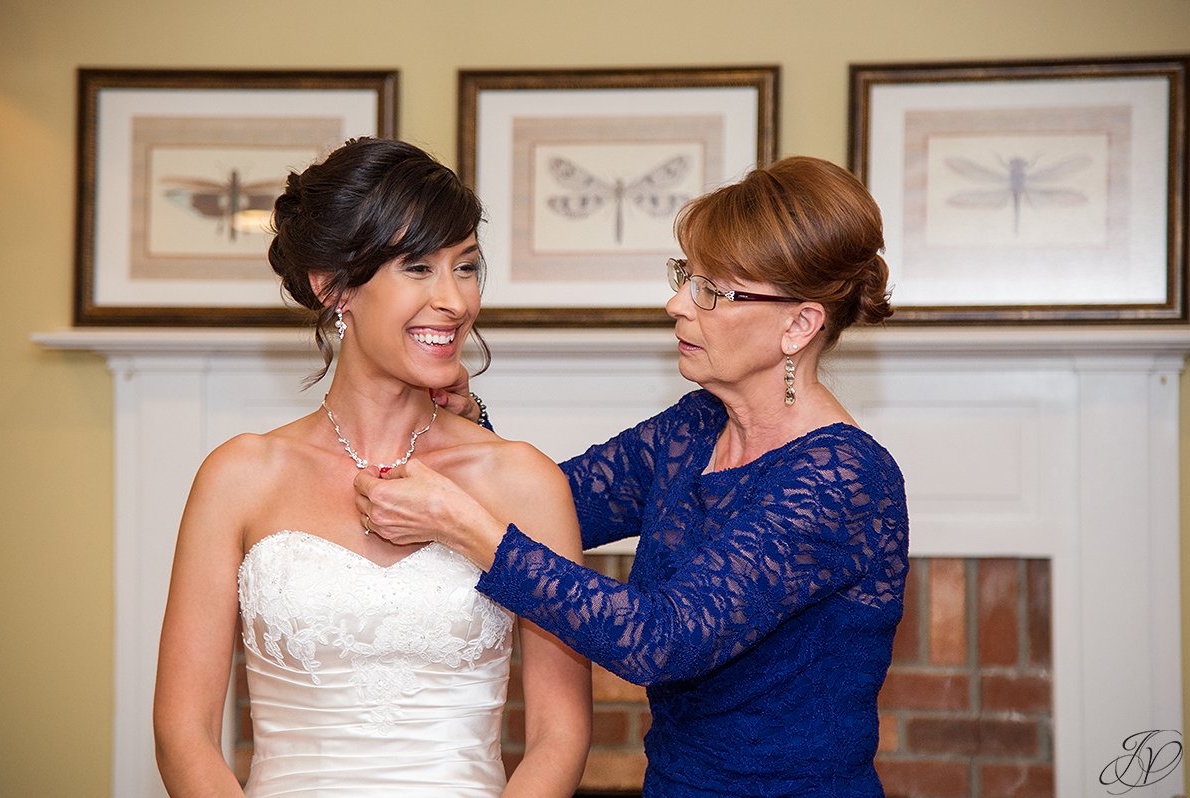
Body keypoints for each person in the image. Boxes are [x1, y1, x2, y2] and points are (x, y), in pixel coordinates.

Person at [357, 155, 910, 797]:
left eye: (713, 291)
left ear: (799, 324)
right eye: (686, 277)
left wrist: (464, 529)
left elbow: (658, 639)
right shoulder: (696, 427)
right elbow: (553, 503)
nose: (677, 304)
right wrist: (470, 427)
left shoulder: (843, 478)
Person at [153, 137, 591, 798]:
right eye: (418, 267)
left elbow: (560, 737)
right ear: (335, 287)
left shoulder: (523, 482)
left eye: (466, 267)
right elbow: (183, 733)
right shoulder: (239, 476)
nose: (455, 300)